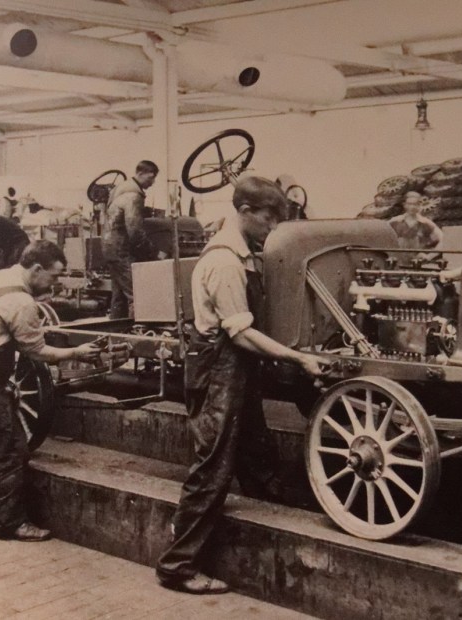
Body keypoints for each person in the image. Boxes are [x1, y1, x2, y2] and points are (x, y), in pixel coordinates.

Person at [155, 176, 329, 595]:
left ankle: (275, 510)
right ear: (245, 211)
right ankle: (177, 565)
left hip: (237, 368)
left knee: (257, 448)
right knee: (212, 468)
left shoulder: (245, 253)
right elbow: (241, 333)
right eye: (269, 218)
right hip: (219, 368)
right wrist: (297, 357)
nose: (273, 226)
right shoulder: (225, 262)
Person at [0, 240, 103, 541]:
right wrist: (77, 352)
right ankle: (9, 524)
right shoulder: (21, 302)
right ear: (37, 269)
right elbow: (37, 352)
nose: (55, 283)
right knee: (10, 450)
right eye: (54, 276)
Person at [102, 160, 165, 319]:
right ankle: (139, 330)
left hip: (110, 248)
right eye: (151, 177)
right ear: (140, 173)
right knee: (137, 294)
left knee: (119, 296)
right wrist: (154, 253)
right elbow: (135, 232)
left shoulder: (120, 190)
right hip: (121, 250)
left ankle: (116, 328)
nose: (152, 182)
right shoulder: (133, 195)